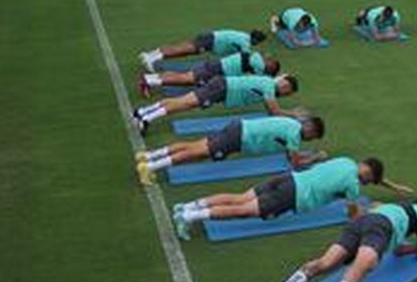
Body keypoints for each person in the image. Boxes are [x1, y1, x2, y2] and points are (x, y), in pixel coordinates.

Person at [171, 155, 397, 239]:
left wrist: (388, 183)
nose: (366, 184)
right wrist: (372, 212)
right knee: (243, 211)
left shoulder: (346, 161)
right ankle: (190, 217)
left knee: (239, 199)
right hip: (291, 195)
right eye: (369, 181)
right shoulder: (353, 185)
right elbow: (353, 213)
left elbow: (365, 176)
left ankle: (188, 206)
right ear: (367, 174)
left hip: (287, 178)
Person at [270, 197, 417, 282]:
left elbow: (397, 250)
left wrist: (408, 246)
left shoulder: (396, 206)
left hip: (361, 223)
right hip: (380, 227)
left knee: (325, 263)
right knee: (362, 268)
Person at [134, 114, 327, 185]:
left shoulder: (291, 124)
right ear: (310, 129)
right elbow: (294, 163)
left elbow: (291, 154)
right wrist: (316, 158)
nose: (310, 139)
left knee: (196, 145)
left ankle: (150, 155)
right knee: (198, 153)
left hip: (238, 128)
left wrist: (308, 155)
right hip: (238, 138)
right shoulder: (294, 135)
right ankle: (150, 167)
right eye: (313, 136)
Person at [131, 73, 298, 135]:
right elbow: (274, 111)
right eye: (287, 91)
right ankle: (146, 119)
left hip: (221, 86)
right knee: (184, 105)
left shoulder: (267, 81)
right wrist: (294, 114)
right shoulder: (269, 86)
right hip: (222, 89)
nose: (284, 94)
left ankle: (143, 112)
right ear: (284, 85)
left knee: (182, 101)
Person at [137, 50, 280, 98]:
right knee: (185, 79)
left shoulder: (256, 57)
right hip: (217, 69)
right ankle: (148, 80)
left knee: (185, 78)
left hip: (217, 66)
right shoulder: (259, 64)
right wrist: (276, 80)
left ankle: (151, 79)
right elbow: (260, 79)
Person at [138, 28, 267, 71]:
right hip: (210, 41)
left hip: (210, 38)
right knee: (182, 50)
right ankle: (152, 58)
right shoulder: (245, 42)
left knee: (182, 49)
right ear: (256, 40)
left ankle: (151, 55)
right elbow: (245, 58)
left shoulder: (243, 36)